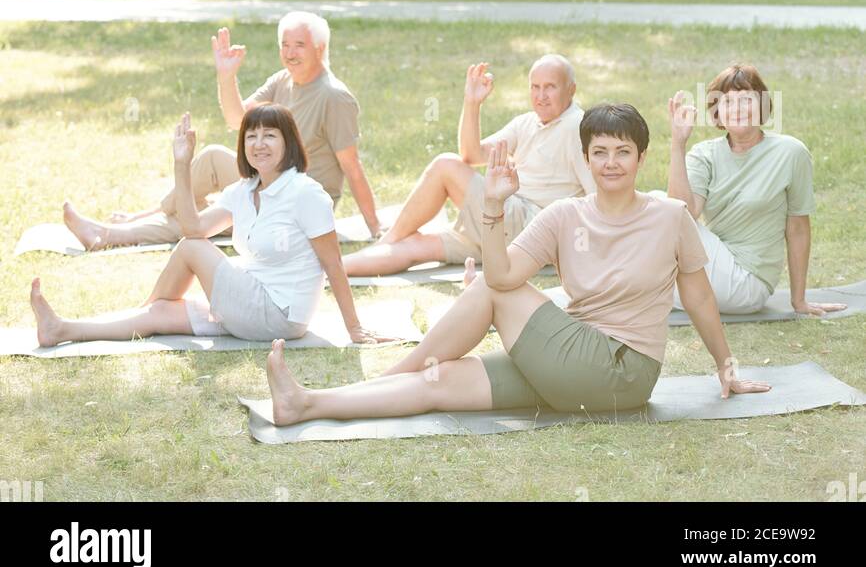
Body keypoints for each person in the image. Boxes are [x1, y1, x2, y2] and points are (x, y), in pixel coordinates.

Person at [264, 103, 772, 426]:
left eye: (623, 152)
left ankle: (387, 373)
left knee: (491, 289)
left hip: (623, 371)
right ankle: (307, 403)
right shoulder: (562, 215)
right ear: (586, 158)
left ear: (641, 158)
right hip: (565, 364)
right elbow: (505, 271)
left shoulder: (670, 216)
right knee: (437, 382)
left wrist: (726, 367)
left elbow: (700, 297)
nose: (612, 162)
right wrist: (493, 205)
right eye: (600, 152)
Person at [31, 105, 395, 348]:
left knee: (191, 249)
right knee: (160, 314)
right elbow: (193, 225)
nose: (258, 143)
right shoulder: (244, 190)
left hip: (279, 316)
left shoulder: (306, 194)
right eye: (251, 136)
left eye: (270, 135)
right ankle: (61, 329)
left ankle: (146, 306)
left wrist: (353, 328)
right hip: (246, 301)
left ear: (289, 143)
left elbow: (333, 265)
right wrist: (181, 163)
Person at [62, 11, 383, 249]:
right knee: (201, 217)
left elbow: (351, 167)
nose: (289, 53)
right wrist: (226, 75)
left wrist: (376, 231)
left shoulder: (334, 97)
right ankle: (108, 235)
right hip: (271, 184)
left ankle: (131, 221)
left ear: (320, 47)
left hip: (300, 202)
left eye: (299, 45)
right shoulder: (282, 80)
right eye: (284, 44)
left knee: (215, 165)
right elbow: (237, 120)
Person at [342, 55, 593, 277]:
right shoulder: (527, 122)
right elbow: (472, 155)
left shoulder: (577, 126)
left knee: (445, 166)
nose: (541, 96)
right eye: (535, 87)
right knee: (415, 246)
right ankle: (332, 269)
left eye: (550, 87)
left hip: (529, 226)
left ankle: (387, 238)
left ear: (571, 89)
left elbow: (596, 198)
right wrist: (472, 104)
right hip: (502, 231)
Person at [665, 64, 846, 317]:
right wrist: (678, 143)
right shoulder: (704, 154)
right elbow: (684, 215)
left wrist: (799, 301)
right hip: (711, 268)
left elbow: (797, 228)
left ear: (763, 106)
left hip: (748, 283)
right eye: (727, 101)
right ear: (717, 113)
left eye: (746, 99)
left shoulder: (790, 153)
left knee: (657, 204)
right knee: (659, 206)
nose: (737, 109)